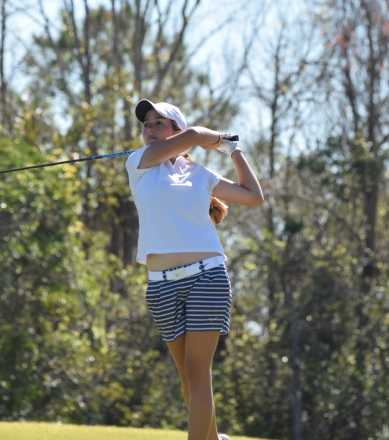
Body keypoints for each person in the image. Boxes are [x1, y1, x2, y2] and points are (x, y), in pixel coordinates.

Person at [125, 99, 264, 440]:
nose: (151, 129)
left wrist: (233, 150)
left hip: (206, 277)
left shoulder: (200, 174)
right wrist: (213, 137)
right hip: (160, 286)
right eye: (147, 124)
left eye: (159, 123)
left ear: (176, 129)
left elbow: (252, 196)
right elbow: (197, 134)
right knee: (187, 376)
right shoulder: (138, 163)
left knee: (197, 371)